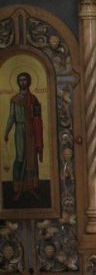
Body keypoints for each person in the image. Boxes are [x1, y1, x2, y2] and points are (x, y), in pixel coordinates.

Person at [4, 72, 43, 201]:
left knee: (31, 158)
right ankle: (18, 189)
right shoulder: (15, 100)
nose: (23, 82)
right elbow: (11, 117)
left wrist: (38, 137)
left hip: (31, 132)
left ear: (29, 81)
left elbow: (38, 118)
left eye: (25, 80)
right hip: (20, 130)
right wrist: (6, 131)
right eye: (20, 80)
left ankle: (31, 187)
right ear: (18, 82)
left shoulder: (34, 99)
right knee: (20, 158)